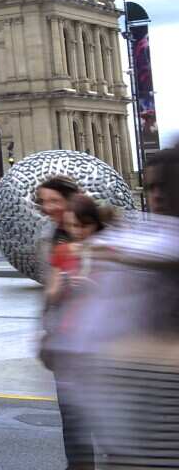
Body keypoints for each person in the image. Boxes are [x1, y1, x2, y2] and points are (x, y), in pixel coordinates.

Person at [66, 147, 179, 468]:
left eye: (167, 187)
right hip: (139, 434)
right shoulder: (134, 246)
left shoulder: (134, 250)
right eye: (152, 187)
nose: (157, 196)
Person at [42, 193, 109, 470]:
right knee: (71, 416)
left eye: (83, 226)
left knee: (101, 413)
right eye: (73, 227)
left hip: (100, 346)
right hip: (68, 344)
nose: (78, 233)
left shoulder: (109, 251)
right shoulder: (63, 252)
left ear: (94, 224)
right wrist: (67, 280)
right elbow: (52, 294)